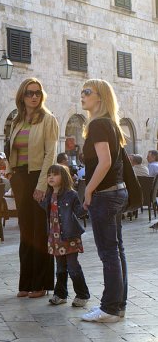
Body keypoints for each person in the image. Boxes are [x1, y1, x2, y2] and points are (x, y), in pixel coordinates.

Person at [80, 79, 128, 323]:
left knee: (109, 252)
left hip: (105, 194)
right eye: (82, 92)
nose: (82, 95)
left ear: (100, 97)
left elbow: (105, 161)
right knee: (116, 251)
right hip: (117, 192)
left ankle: (109, 308)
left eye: (87, 92)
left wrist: (88, 190)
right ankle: (118, 306)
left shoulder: (99, 124)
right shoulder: (111, 124)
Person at [7, 77, 59, 298]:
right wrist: (10, 172)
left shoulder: (48, 120)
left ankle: (41, 283)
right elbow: (11, 148)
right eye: (29, 93)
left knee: (40, 232)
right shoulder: (17, 121)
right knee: (26, 231)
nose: (34, 96)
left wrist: (42, 185)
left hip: (38, 176)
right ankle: (26, 283)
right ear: (22, 96)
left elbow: (51, 154)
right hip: (19, 178)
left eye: (37, 92)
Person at [41, 164, 90, 307]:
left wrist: (87, 204)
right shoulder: (48, 195)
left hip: (69, 236)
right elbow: (44, 209)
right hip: (55, 237)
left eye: (54, 174)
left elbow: (80, 212)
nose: (51, 177)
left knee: (73, 266)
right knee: (60, 267)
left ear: (64, 177)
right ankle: (60, 294)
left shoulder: (71, 194)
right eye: (49, 175)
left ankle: (82, 295)